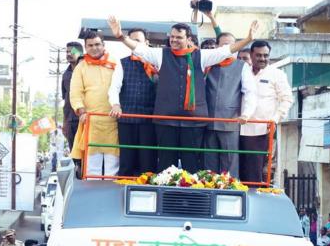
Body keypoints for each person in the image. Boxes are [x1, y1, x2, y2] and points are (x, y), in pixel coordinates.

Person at [108, 16, 258, 173]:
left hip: (193, 122)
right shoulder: (160, 54)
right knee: (166, 166)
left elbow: (226, 50)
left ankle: (189, 198)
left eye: (179, 37)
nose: (174, 40)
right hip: (166, 121)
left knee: (191, 165)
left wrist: (248, 39)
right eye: (172, 37)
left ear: (188, 39)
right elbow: (139, 49)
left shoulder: (202, 56)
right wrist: (120, 36)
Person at [203, 32, 257, 176]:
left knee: (230, 162)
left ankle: (230, 193)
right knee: (208, 163)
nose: (229, 48)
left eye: (231, 44)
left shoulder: (242, 66)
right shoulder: (207, 64)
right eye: (224, 45)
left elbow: (250, 92)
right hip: (206, 121)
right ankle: (209, 191)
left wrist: (246, 113)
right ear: (217, 47)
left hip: (230, 120)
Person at [239, 40, 293, 183]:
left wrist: (274, 119)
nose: (262, 59)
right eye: (258, 55)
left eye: (266, 55)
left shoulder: (277, 74)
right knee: (236, 170)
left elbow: (287, 99)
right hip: (237, 129)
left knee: (255, 172)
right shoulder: (242, 71)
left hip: (261, 131)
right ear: (251, 54)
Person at [70, 30, 120, 176]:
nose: (94, 48)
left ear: (104, 45)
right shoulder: (81, 67)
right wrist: (81, 111)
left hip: (113, 120)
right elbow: (75, 93)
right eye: (90, 45)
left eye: (97, 44)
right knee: (92, 169)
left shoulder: (115, 63)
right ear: (85, 47)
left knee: (113, 167)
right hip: (91, 120)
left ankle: (112, 197)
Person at [109, 28, 157, 176]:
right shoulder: (122, 63)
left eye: (138, 41)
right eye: (132, 40)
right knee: (127, 160)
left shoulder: (157, 62)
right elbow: (114, 88)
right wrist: (115, 104)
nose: (135, 43)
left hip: (149, 119)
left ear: (146, 43)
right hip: (127, 118)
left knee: (148, 162)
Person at [62, 41, 83, 152]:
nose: (69, 54)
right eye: (67, 52)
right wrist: (64, 122)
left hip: (85, 117)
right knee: (73, 150)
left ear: (80, 53)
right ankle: (77, 168)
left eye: (72, 51)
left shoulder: (87, 69)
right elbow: (66, 99)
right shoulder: (66, 74)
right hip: (71, 119)